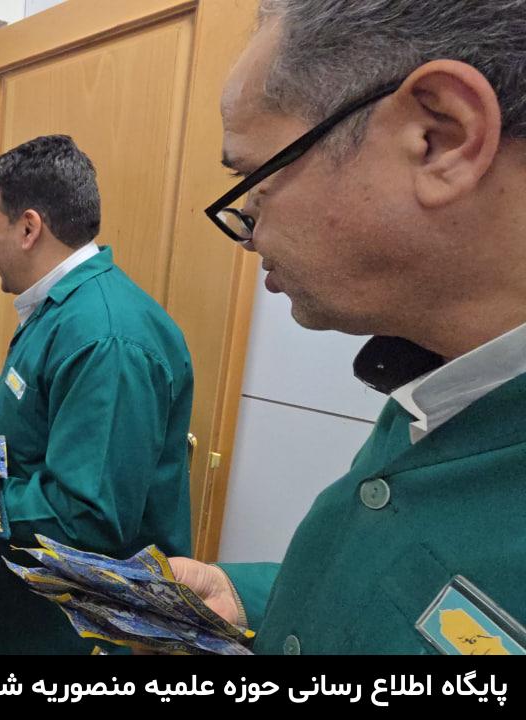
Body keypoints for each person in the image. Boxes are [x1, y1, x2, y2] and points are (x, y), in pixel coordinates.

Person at [168, 0, 526, 655]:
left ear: (440, 138)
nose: (248, 232)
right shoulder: (434, 376)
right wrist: (248, 596)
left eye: (254, 179)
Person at [0, 135, 194, 654]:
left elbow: (85, 515)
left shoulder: (106, 338)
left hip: (69, 612)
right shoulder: (62, 307)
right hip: (22, 572)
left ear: (29, 228)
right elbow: (26, 406)